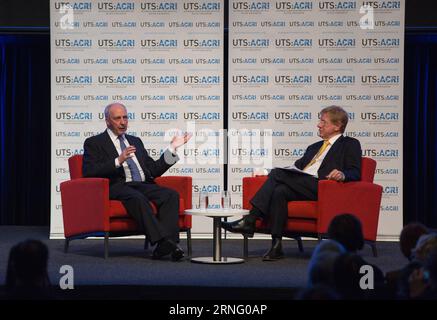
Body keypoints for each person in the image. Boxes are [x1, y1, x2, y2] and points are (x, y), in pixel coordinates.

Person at [222, 105, 362, 261]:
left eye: (323, 122)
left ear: (337, 126)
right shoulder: (314, 147)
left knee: (278, 174)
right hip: (304, 185)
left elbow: (355, 172)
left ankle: (250, 219)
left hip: (324, 187)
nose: (318, 125)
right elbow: (294, 169)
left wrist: (342, 175)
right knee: (279, 191)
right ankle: (276, 246)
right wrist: (266, 173)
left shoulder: (350, 144)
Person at [82, 102, 191, 261]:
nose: (123, 122)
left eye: (125, 117)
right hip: (117, 186)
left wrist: (172, 148)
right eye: (117, 118)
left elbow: (153, 170)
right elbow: (89, 172)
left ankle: (167, 245)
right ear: (107, 121)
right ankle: (164, 242)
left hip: (142, 184)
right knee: (136, 198)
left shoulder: (135, 141)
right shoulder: (94, 142)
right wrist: (118, 160)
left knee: (170, 195)